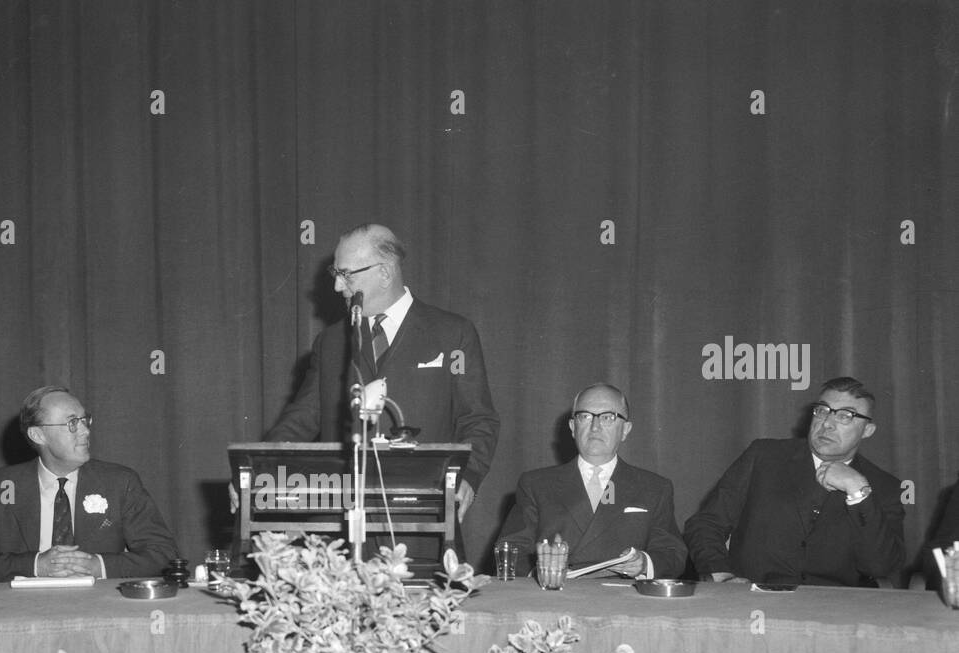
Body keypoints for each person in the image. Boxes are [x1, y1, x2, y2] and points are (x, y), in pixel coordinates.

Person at [263, 224, 499, 522]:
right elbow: (303, 417)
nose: (337, 287)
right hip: (342, 518)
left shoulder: (453, 334)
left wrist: (469, 475)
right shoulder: (331, 341)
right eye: (335, 275)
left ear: (385, 273)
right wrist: (258, 468)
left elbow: (478, 419)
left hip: (422, 514)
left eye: (346, 274)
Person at [684, 376, 905, 586]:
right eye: (822, 410)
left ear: (867, 430)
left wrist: (857, 491)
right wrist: (722, 576)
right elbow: (706, 524)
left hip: (833, 609)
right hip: (753, 597)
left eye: (845, 416)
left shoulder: (883, 486)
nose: (827, 423)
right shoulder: (765, 456)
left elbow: (881, 567)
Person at [0, 386, 179, 583]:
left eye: (85, 420)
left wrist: (98, 566)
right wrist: (35, 566)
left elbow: (164, 555)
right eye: (73, 423)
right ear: (38, 435)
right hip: (20, 610)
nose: (85, 431)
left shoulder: (120, 482)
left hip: (98, 608)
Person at [496, 383, 686, 578]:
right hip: (555, 596)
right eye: (585, 416)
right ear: (572, 427)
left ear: (625, 430)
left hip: (626, 600)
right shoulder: (536, 484)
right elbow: (511, 550)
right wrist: (542, 574)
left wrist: (645, 564)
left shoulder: (654, 488)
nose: (595, 427)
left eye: (607, 417)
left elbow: (672, 553)